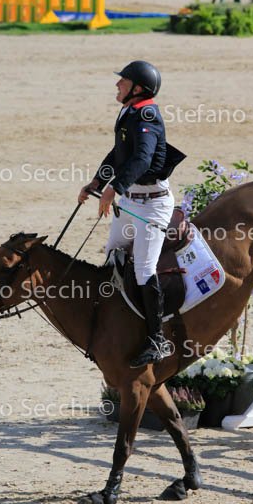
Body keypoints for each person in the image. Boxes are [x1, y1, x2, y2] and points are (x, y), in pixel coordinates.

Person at [78, 60, 185, 369]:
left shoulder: (147, 115)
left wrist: (115, 188)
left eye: (123, 81)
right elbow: (119, 153)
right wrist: (97, 183)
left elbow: (143, 159)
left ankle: (157, 339)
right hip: (131, 202)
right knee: (113, 256)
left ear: (138, 89)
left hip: (152, 205)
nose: (117, 85)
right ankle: (122, 321)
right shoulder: (129, 111)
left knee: (143, 269)